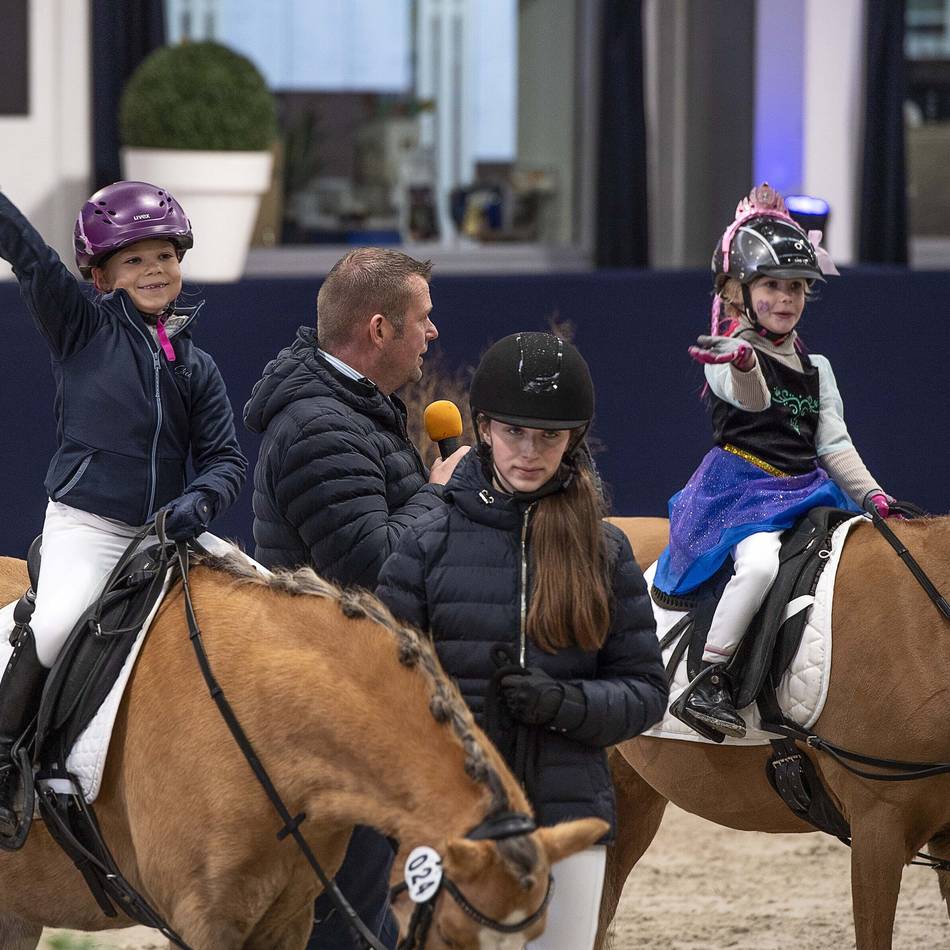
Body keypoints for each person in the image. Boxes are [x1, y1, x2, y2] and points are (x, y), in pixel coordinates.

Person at [376, 332, 668, 950]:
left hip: (568, 819)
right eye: (514, 433)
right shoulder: (424, 544)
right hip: (452, 821)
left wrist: (565, 705)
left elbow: (645, 693)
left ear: (572, 440)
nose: (530, 453)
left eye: (549, 437)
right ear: (484, 429)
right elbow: (383, 690)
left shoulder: (605, 551)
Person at [0, 181, 247, 836]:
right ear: (102, 276)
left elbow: (225, 459)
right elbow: (30, 256)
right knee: (57, 625)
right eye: (134, 260)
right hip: (89, 527)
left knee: (258, 594)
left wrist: (200, 500)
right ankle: (4, 758)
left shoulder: (197, 366)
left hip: (165, 532)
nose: (153, 269)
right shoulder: (80, 329)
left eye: (164, 256)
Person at [243, 247, 467, 948]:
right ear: (378, 328)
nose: (432, 332)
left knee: (364, 907)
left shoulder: (354, 410)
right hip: (332, 705)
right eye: (423, 319)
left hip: (358, 692)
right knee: (344, 912)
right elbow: (374, 570)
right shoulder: (321, 427)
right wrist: (438, 494)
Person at [653, 183, 895, 740]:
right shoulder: (723, 354)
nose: (785, 299)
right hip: (741, 492)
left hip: (806, 490)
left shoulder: (818, 368)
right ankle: (708, 678)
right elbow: (753, 400)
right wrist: (743, 362)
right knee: (760, 566)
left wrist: (874, 496)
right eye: (771, 286)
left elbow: (834, 446)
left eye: (795, 288)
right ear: (738, 291)